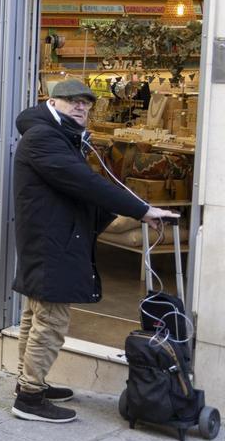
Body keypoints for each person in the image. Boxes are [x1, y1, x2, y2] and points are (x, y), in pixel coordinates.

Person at [11, 79, 178, 423]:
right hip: (51, 242)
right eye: (72, 101)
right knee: (51, 319)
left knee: (36, 314)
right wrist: (141, 210)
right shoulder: (43, 138)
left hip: (49, 238)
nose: (81, 107)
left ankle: (30, 382)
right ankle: (30, 397)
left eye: (86, 103)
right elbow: (84, 183)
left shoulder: (58, 134)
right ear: (52, 101)